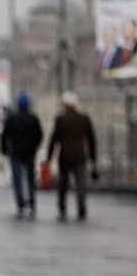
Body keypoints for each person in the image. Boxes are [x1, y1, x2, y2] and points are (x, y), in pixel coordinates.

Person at [45, 92, 98, 221]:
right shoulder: (84, 119)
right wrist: (93, 158)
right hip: (80, 155)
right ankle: (81, 208)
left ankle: (62, 208)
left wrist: (49, 157)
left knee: (63, 183)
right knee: (81, 184)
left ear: (65, 105)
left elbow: (54, 139)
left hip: (65, 156)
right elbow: (91, 139)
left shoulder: (61, 119)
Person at [0, 92, 43, 218]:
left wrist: (4, 149)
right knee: (30, 179)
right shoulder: (33, 118)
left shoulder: (12, 118)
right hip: (29, 153)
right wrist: (34, 147)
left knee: (18, 179)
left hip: (16, 153)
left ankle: (20, 204)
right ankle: (32, 203)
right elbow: (39, 135)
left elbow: (5, 135)